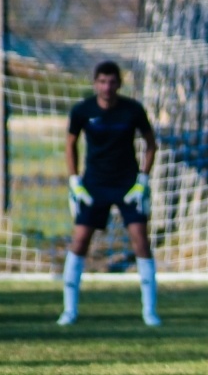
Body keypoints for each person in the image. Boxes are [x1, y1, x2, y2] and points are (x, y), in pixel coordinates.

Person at [57, 61, 161, 327]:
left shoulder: (133, 110)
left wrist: (143, 179)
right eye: (102, 82)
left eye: (112, 82)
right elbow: (71, 144)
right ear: (95, 83)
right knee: (80, 240)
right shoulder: (83, 110)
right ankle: (69, 311)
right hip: (94, 183)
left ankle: (149, 311)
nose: (107, 87)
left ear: (119, 83)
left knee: (140, 240)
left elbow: (151, 144)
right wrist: (74, 181)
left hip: (127, 183)